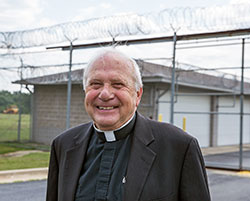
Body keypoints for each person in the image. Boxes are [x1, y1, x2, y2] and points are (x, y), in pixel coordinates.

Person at [46, 48, 211, 201]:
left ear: (137, 95)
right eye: (95, 84)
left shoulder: (179, 147)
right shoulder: (63, 146)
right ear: (86, 91)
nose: (105, 94)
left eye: (118, 84)